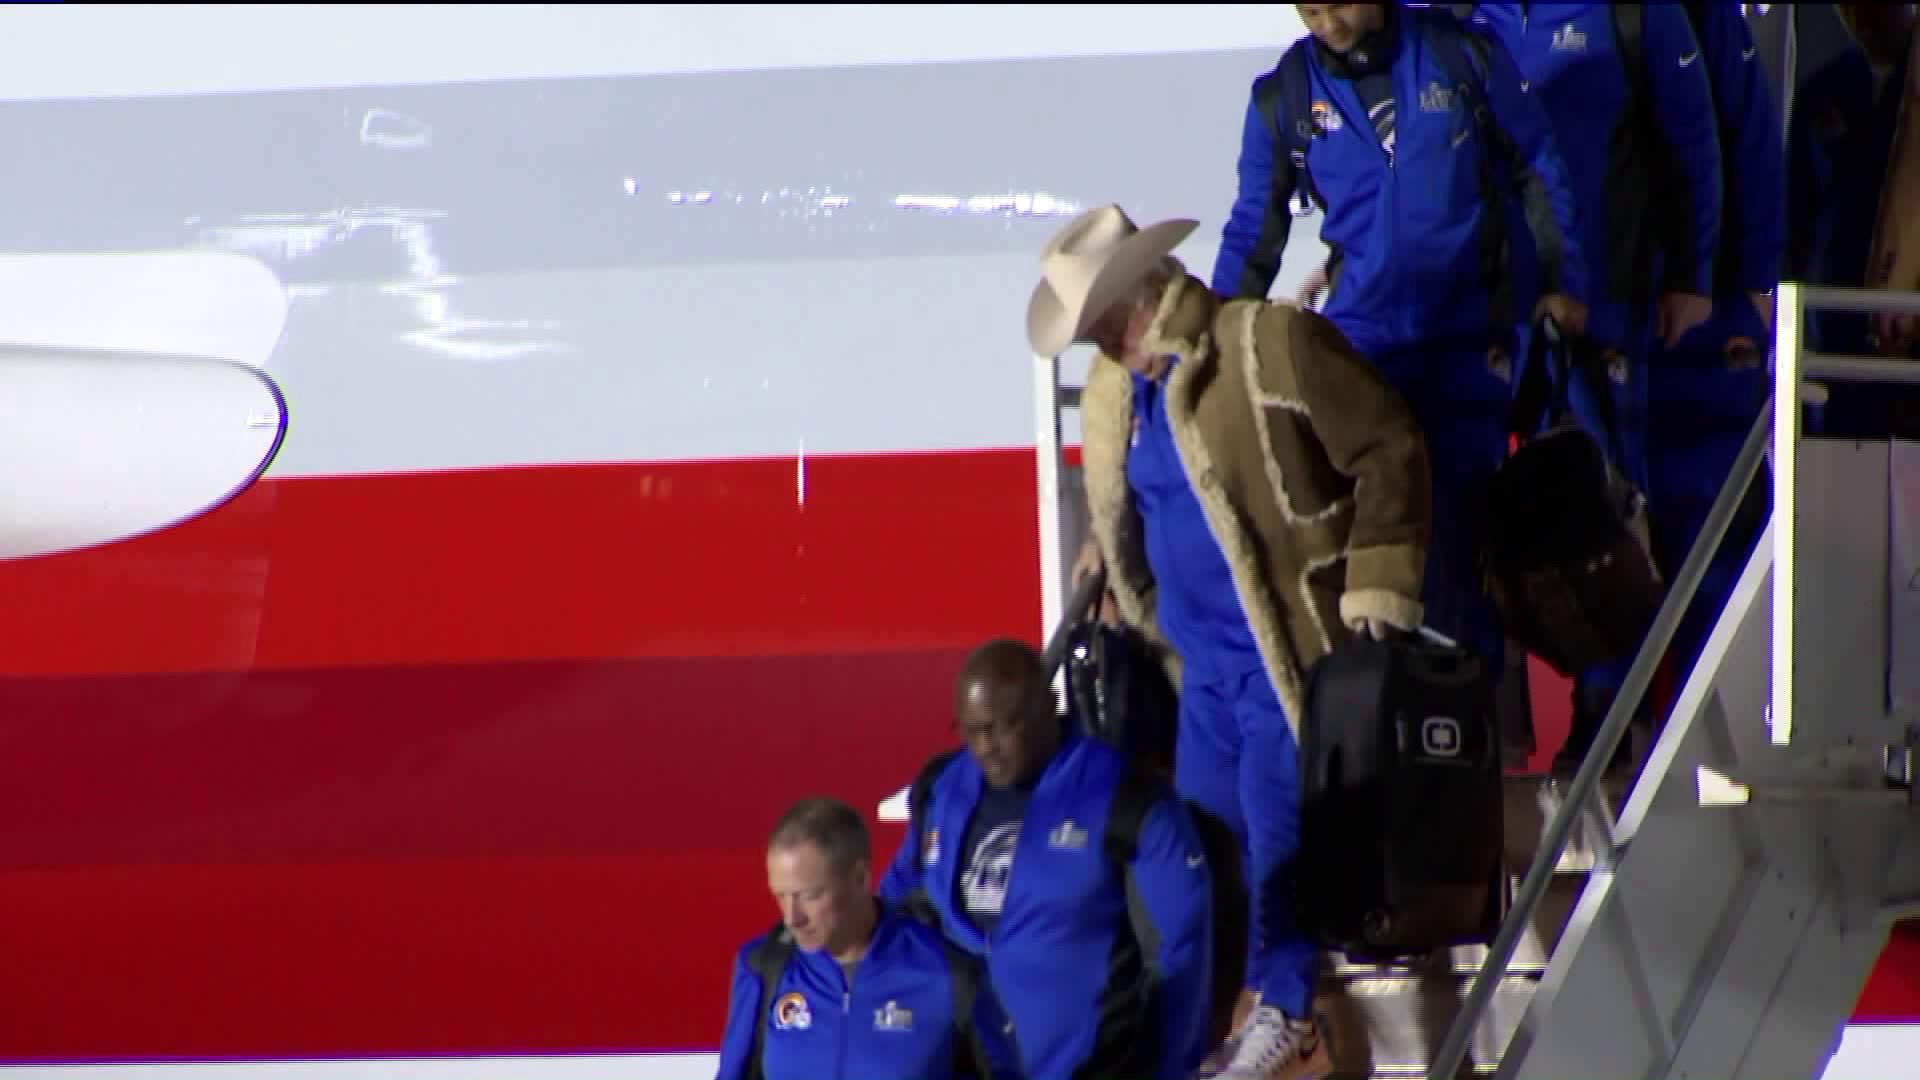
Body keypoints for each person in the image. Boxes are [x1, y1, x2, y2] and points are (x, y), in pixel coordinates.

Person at [1047, 203, 1432, 1080]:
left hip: (1280, 652)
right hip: (1201, 669)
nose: (1102, 343)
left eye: (1107, 319)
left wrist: (1378, 575)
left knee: (1275, 843)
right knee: (1208, 856)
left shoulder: (1262, 345)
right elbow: (1156, 499)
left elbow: (1390, 440)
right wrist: (1111, 553)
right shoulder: (1129, 397)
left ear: (1146, 293)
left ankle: (1287, 1010)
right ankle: (1224, 1022)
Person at [1212, 1, 1586, 673]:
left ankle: (1474, 731)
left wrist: (1562, 285)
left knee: (1466, 532)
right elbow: (1252, 232)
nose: (1330, 23)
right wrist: (1215, 345)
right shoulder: (1284, 100)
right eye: (1311, 10)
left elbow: (1540, 165)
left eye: (1341, 4)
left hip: (1466, 338)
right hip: (1363, 349)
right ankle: (1395, 724)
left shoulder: (1460, 56)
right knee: (1379, 534)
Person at [1467, 2, 1723, 773]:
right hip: (1500, 313)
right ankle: (1525, 713)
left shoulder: (1631, 16)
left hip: (1608, 302)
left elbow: (1694, 145)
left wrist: (1694, 274)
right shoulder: (1463, 21)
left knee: (1606, 514)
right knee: (1502, 529)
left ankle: (1617, 718)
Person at [876, 638, 1215, 1080]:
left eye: (1001, 726)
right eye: (971, 730)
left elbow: (1181, 951)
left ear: (1048, 706)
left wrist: (1169, 1069)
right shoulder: (941, 789)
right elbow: (893, 916)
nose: (985, 746)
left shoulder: (1126, 798)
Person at [1640, 0, 1787, 716]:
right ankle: (1617, 726)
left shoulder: (1701, 15)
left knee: (1713, 538)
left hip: (1705, 322)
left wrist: (1755, 286)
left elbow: (1752, 142)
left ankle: (1721, 724)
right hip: (1600, 316)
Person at [715, 797, 1022, 1080]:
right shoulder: (763, 968)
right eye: (780, 896)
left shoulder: (951, 974)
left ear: (860, 877)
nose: (791, 917)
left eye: (809, 896)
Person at [1788, 4, 1920, 437]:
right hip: (1832, 321)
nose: (1860, 15)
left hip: (1904, 328)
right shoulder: (1823, 91)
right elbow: (1795, 214)